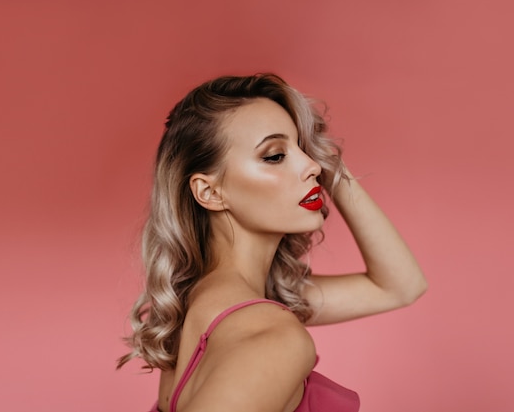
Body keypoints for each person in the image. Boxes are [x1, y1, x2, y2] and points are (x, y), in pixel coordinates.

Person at [117, 73, 427, 412]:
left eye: (304, 149)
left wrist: (328, 161)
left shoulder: (201, 303)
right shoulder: (270, 335)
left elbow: (401, 286)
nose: (312, 166)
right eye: (275, 155)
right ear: (210, 192)